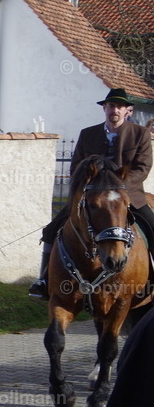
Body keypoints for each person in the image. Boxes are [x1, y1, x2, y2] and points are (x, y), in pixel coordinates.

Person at [29, 88, 154, 298]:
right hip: (92, 198)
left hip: (127, 197)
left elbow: (142, 168)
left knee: (153, 228)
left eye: (119, 106)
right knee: (51, 230)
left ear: (127, 111)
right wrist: (89, 187)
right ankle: (44, 280)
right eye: (111, 106)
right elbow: (76, 167)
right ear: (104, 109)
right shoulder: (87, 134)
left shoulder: (140, 134)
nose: (115, 110)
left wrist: (117, 187)